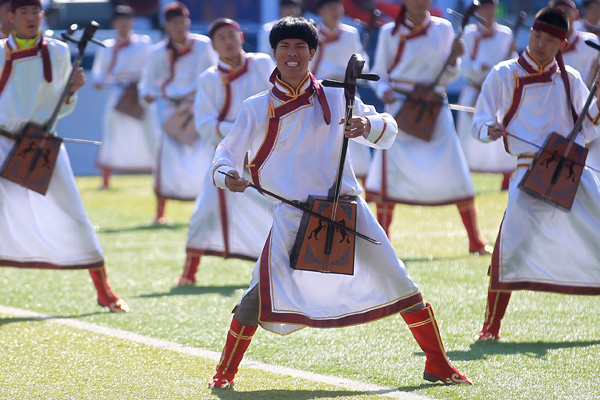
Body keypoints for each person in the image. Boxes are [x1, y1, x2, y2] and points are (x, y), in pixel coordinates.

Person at [207, 16, 471, 389]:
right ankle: (224, 373)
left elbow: (386, 128)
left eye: (301, 46)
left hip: (346, 209)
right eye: (285, 46)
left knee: (401, 282)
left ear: (313, 53)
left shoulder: (337, 94)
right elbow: (225, 154)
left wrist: (367, 126)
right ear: (274, 53)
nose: (293, 54)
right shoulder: (255, 106)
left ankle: (438, 363)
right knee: (258, 296)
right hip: (291, 214)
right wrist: (226, 176)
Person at [471, 7, 600, 341]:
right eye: (537, 35)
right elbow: (479, 119)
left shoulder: (570, 77)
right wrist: (491, 128)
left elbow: (589, 127)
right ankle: (491, 327)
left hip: (570, 172)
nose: (541, 44)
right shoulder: (504, 73)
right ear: (530, 33)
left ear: (563, 43)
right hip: (529, 172)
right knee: (509, 246)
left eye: (550, 39)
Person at [0, 0, 128, 313]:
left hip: (41, 143)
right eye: (24, 13)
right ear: (11, 17)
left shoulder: (57, 51)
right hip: (1, 141)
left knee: (72, 211)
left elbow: (63, 105)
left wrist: (71, 91)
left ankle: (104, 289)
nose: (31, 18)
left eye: (36, 12)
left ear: (43, 16)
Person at [365, 0, 491, 255]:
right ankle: (383, 240)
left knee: (456, 170)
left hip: (435, 107)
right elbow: (379, 73)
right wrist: (384, 90)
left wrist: (454, 60)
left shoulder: (443, 29)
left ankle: (475, 241)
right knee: (391, 176)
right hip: (401, 108)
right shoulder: (391, 32)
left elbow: (450, 76)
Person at [173, 18, 276, 286]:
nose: (228, 41)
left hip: (265, 152)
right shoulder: (208, 78)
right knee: (206, 211)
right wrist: (239, 133)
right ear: (214, 46)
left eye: (232, 35)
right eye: (221, 38)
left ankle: (279, 266)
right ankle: (189, 272)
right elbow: (204, 123)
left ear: (241, 37)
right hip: (226, 155)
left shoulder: (263, 63)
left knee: (276, 207)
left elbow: (278, 101)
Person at [138, 2, 217, 225]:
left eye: (183, 21)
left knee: (205, 159)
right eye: (175, 22)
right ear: (167, 26)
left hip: (200, 109)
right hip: (173, 110)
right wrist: (146, 95)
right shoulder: (157, 52)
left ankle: (207, 211)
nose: (180, 26)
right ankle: (159, 213)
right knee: (166, 160)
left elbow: (214, 74)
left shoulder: (203, 45)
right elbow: (147, 82)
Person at [92, 5, 159, 189]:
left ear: (133, 22)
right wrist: (99, 82)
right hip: (117, 94)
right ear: (114, 23)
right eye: (119, 20)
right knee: (111, 134)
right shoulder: (107, 46)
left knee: (151, 133)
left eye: (127, 19)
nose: (123, 24)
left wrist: (146, 87)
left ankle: (159, 175)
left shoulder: (144, 43)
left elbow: (152, 68)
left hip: (140, 93)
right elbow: (99, 73)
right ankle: (106, 179)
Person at [456, 0, 516, 191]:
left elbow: (513, 61)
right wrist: (477, 67)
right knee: (467, 134)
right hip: (474, 88)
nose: (489, 10)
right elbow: (462, 65)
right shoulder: (470, 33)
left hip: (498, 90)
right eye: (484, 6)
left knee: (500, 135)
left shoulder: (506, 34)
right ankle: (466, 179)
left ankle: (507, 178)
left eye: (491, 6)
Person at [310, 0, 372, 182]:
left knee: (356, 141)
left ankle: (364, 191)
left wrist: (358, 69)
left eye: (338, 7)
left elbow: (362, 61)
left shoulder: (350, 33)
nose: (336, 11)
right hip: (321, 93)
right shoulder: (312, 33)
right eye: (330, 7)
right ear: (321, 11)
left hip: (348, 93)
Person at [551, 0, 600, 87]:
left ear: (576, 14)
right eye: (557, 13)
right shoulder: (546, 47)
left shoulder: (590, 42)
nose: (562, 17)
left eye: (566, 12)